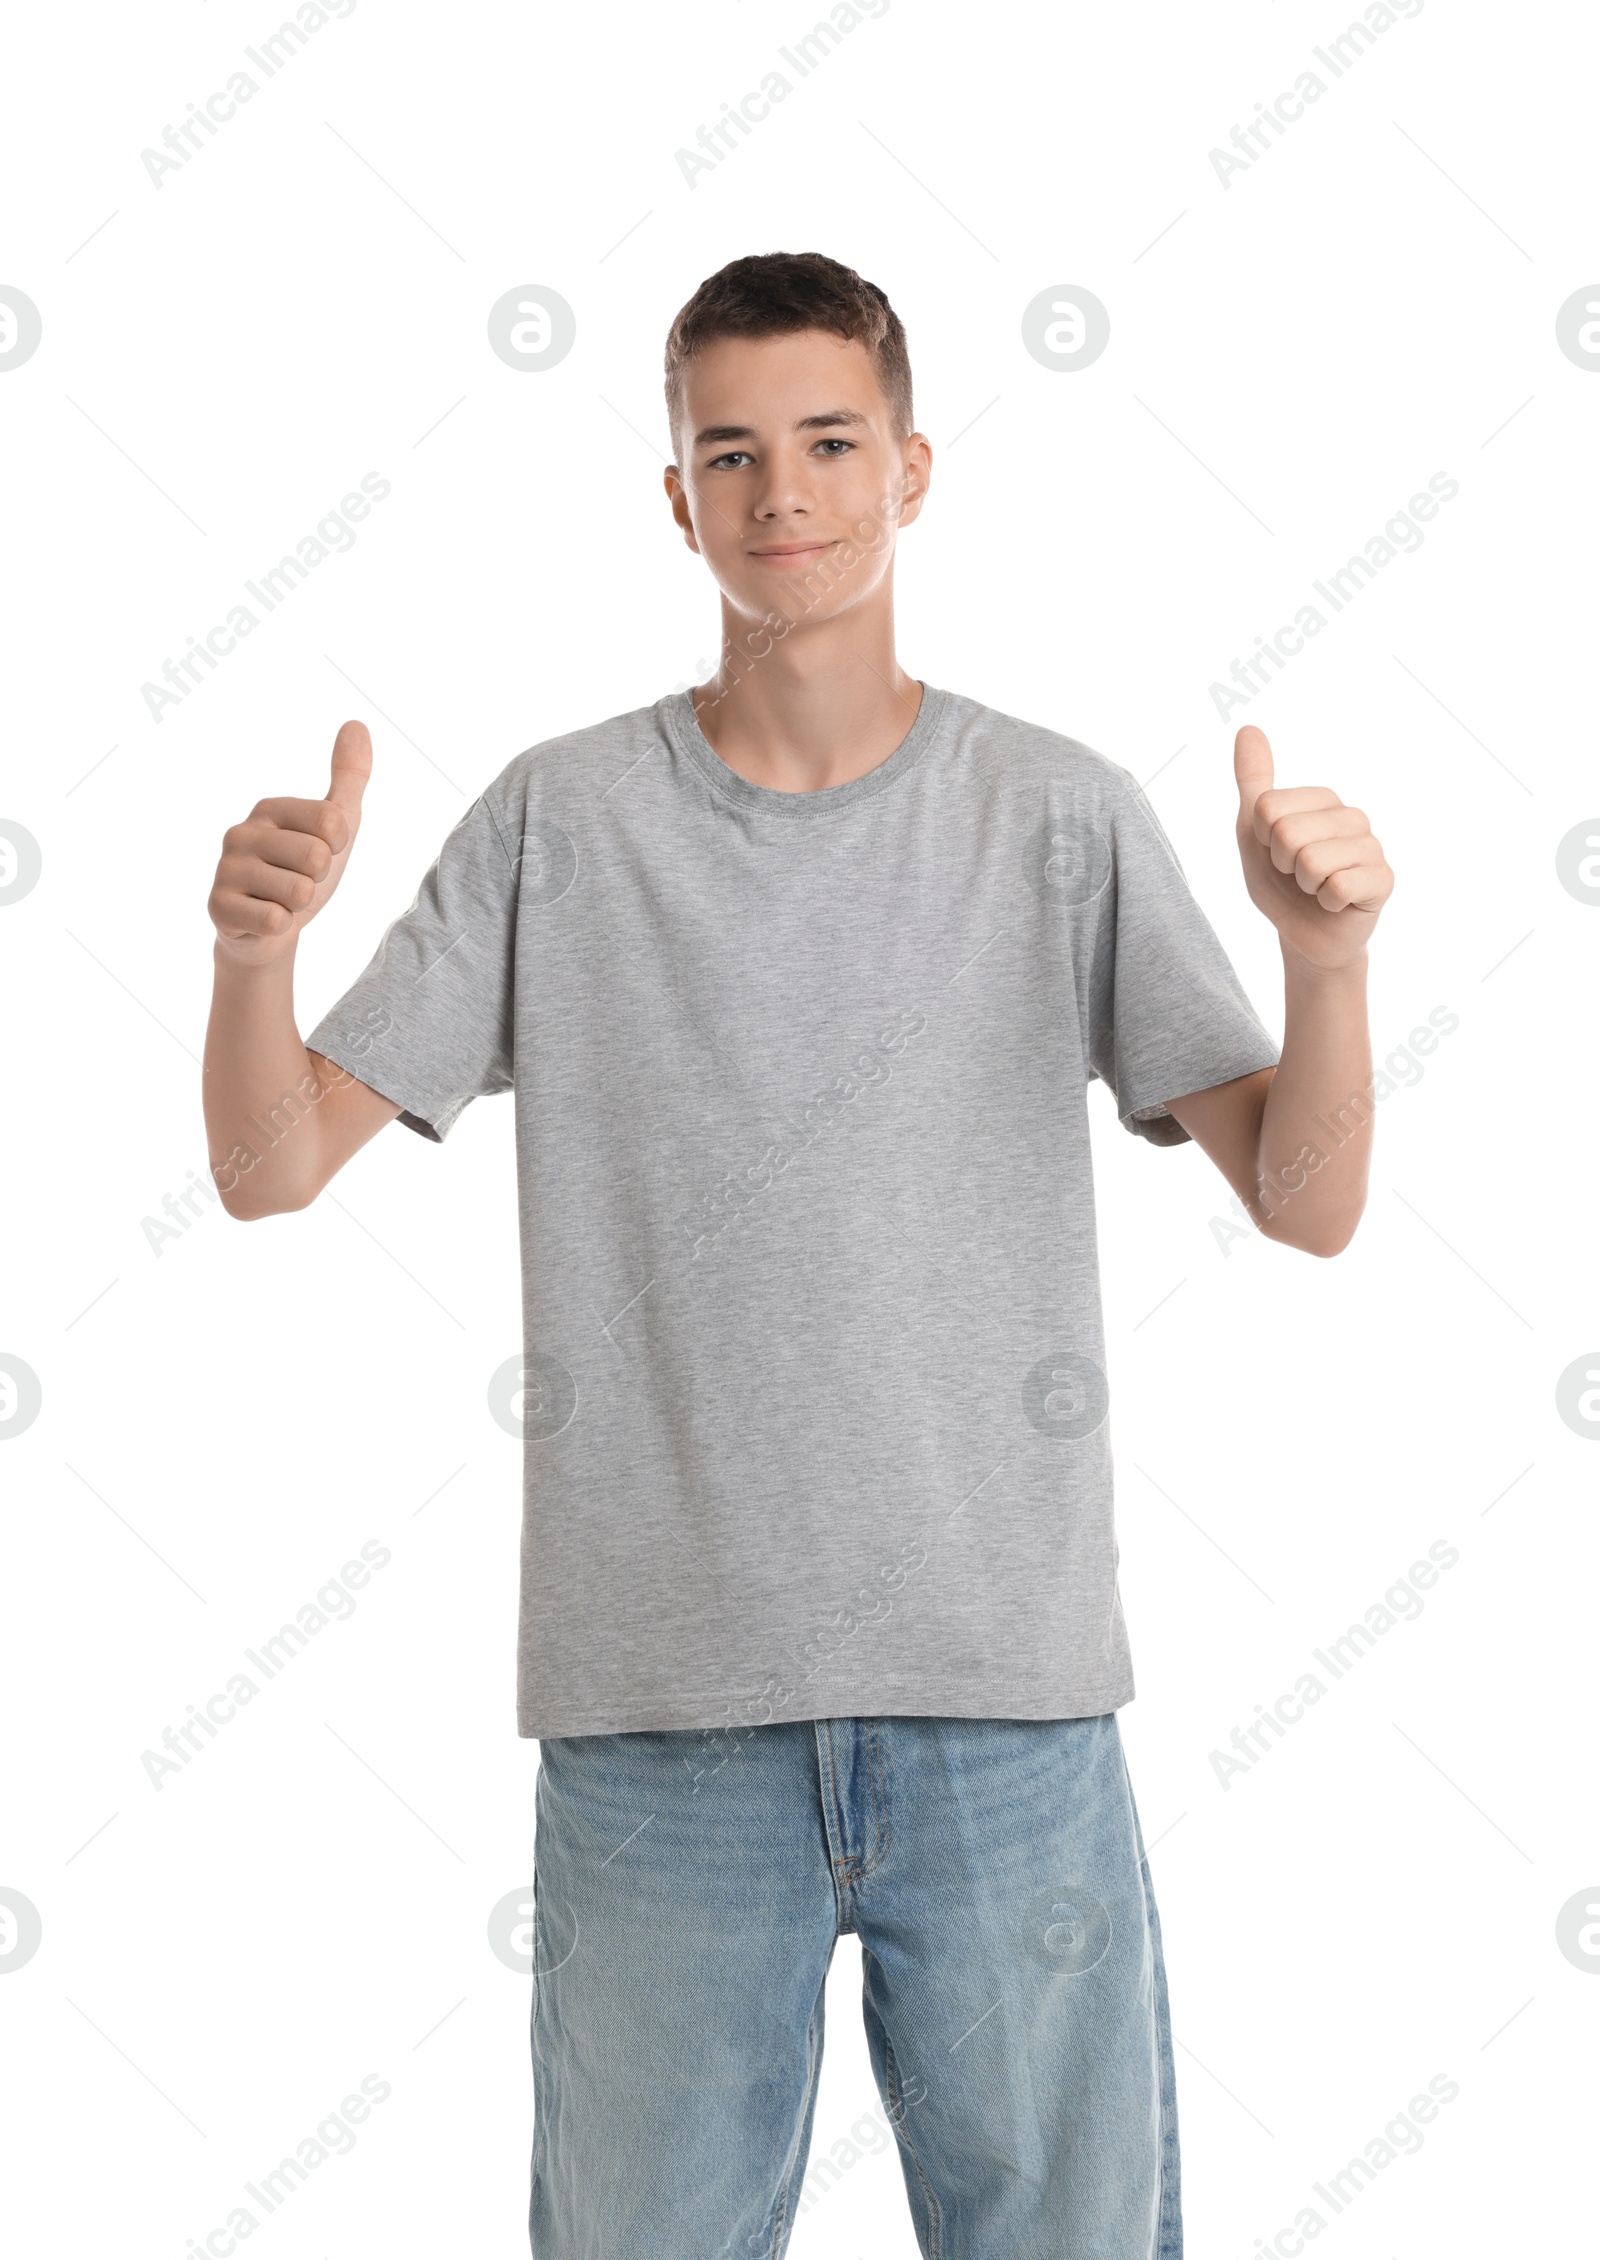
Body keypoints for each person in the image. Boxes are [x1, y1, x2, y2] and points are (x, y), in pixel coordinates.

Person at [202, 250, 1393, 2258]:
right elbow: (266, 1165)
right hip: (660, 1726)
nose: (783, 496)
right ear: (675, 498)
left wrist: (1325, 963)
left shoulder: (1056, 813)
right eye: (730, 453)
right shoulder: (555, 822)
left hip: (1004, 1710)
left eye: (827, 442)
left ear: (910, 466)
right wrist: (251, 960)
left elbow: (1307, 1197)